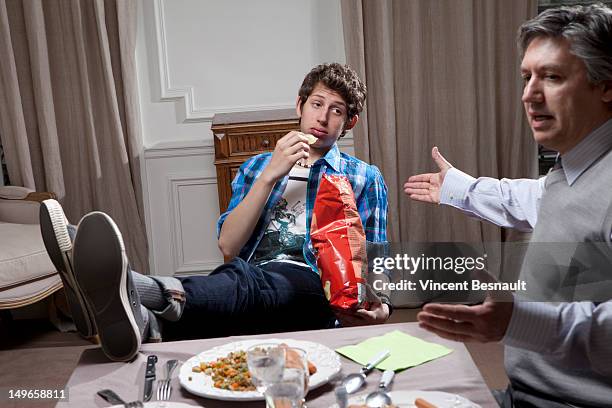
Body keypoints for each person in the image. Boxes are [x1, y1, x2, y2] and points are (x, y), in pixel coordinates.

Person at [40, 63, 390, 362]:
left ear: (350, 122)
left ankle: (122, 285)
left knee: (249, 285)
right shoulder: (257, 168)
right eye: (317, 104)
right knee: (236, 285)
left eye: (337, 110)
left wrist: (383, 304)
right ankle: (148, 322)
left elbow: (376, 265)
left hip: (317, 288)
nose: (323, 117)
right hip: (250, 281)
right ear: (300, 105)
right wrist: (270, 174)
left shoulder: (364, 177)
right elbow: (229, 246)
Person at [404, 4, 612, 407]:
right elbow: (529, 197)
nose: (529, 94)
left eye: (551, 76)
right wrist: (459, 188)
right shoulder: (570, 171)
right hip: (520, 395)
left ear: (606, 85)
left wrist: (516, 322)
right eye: (526, 76)